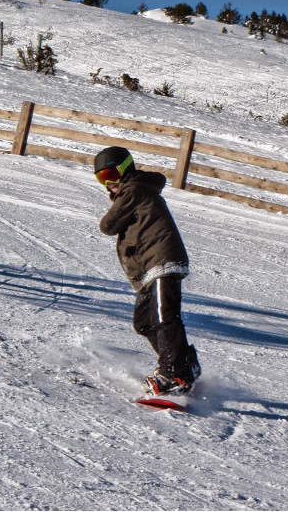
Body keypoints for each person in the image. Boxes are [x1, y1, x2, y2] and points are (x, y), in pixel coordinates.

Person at [94, 146, 201, 395]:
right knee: (144, 323)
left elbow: (107, 225)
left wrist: (119, 198)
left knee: (165, 317)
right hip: (149, 271)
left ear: (125, 169)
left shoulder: (134, 190)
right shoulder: (136, 192)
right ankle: (184, 364)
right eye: (102, 178)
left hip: (162, 262)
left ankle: (173, 373)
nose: (109, 183)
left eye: (111, 174)